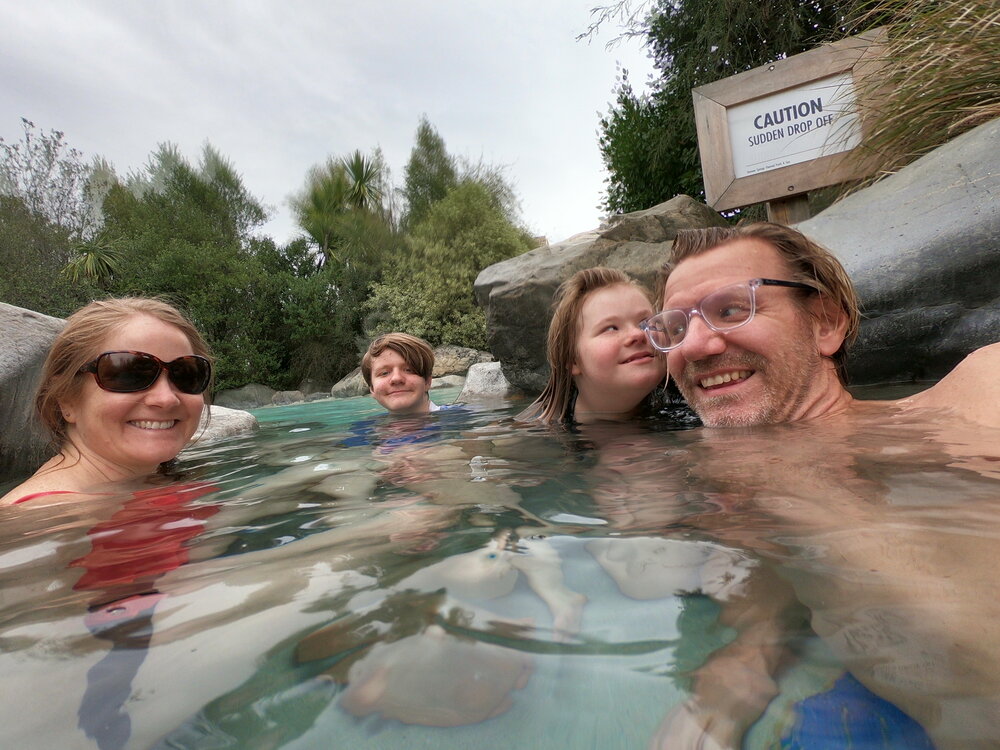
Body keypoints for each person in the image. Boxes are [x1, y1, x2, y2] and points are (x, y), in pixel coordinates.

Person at [644, 222, 1000, 428]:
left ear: (825, 324)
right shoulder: (650, 475)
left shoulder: (977, 394)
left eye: (732, 310)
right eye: (676, 328)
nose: (691, 346)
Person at [1, 297, 214, 506]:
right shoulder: (43, 520)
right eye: (129, 374)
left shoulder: (140, 488)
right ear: (66, 399)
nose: (166, 398)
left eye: (186, 374)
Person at [518, 267, 668, 424]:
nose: (638, 334)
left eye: (645, 322)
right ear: (573, 360)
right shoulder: (525, 435)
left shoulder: (689, 399)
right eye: (610, 328)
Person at [361, 332, 441, 415]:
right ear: (372, 389)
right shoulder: (364, 427)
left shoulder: (454, 422)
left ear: (427, 382)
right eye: (384, 373)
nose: (396, 378)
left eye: (409, 370)